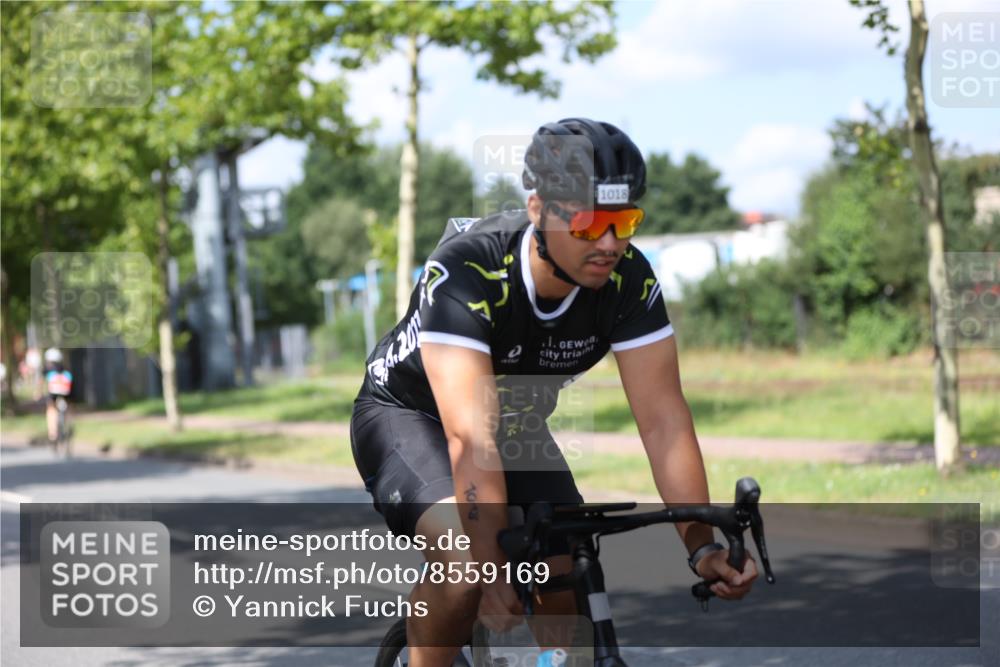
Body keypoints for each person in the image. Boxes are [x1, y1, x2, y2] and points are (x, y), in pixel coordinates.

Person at [350, 118, 757, 666]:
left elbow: (664, 421)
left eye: (625, 221)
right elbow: (470, 433)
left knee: (564, 566)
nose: (610, 243)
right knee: (465, 567)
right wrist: (490, 566)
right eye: (589, 224)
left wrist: (701, 544)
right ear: (539, 209)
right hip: (411, 416)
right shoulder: (469, 269)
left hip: (513, 424)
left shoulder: (628, 281)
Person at [43, 347, 73, 443]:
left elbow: (44, 382)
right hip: (66, 392)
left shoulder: (48, 369)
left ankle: (53, 433)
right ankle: (67, 422)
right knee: (67, 406)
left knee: (51, 408)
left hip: (53, 393)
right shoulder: (64, 369)